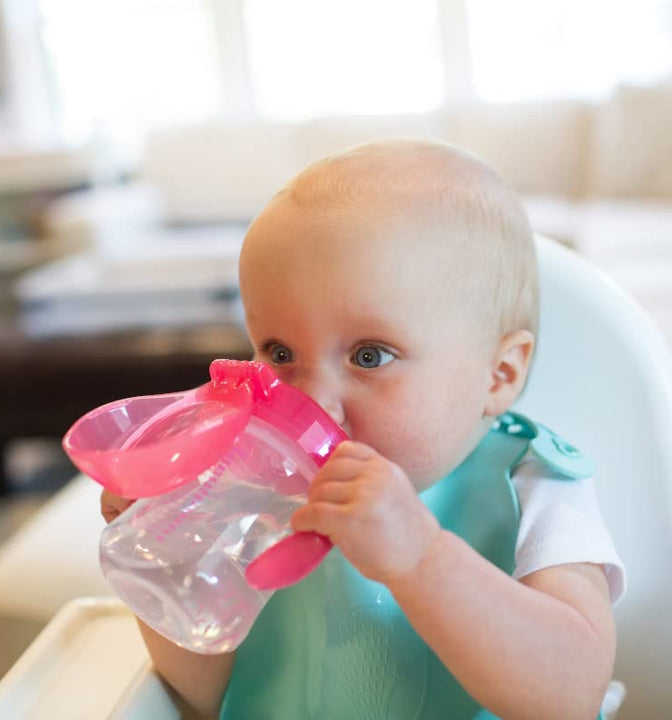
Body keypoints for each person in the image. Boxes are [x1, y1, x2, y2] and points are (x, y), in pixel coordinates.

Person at [101, 140, 625, 719]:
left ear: (498, 374)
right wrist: (168, 559)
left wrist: (421, 558)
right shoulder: (253, 489)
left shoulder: (538, 490)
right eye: (280, 352)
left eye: (370, 356)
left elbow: (570, 695)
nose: (313, 400)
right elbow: (201, 697)